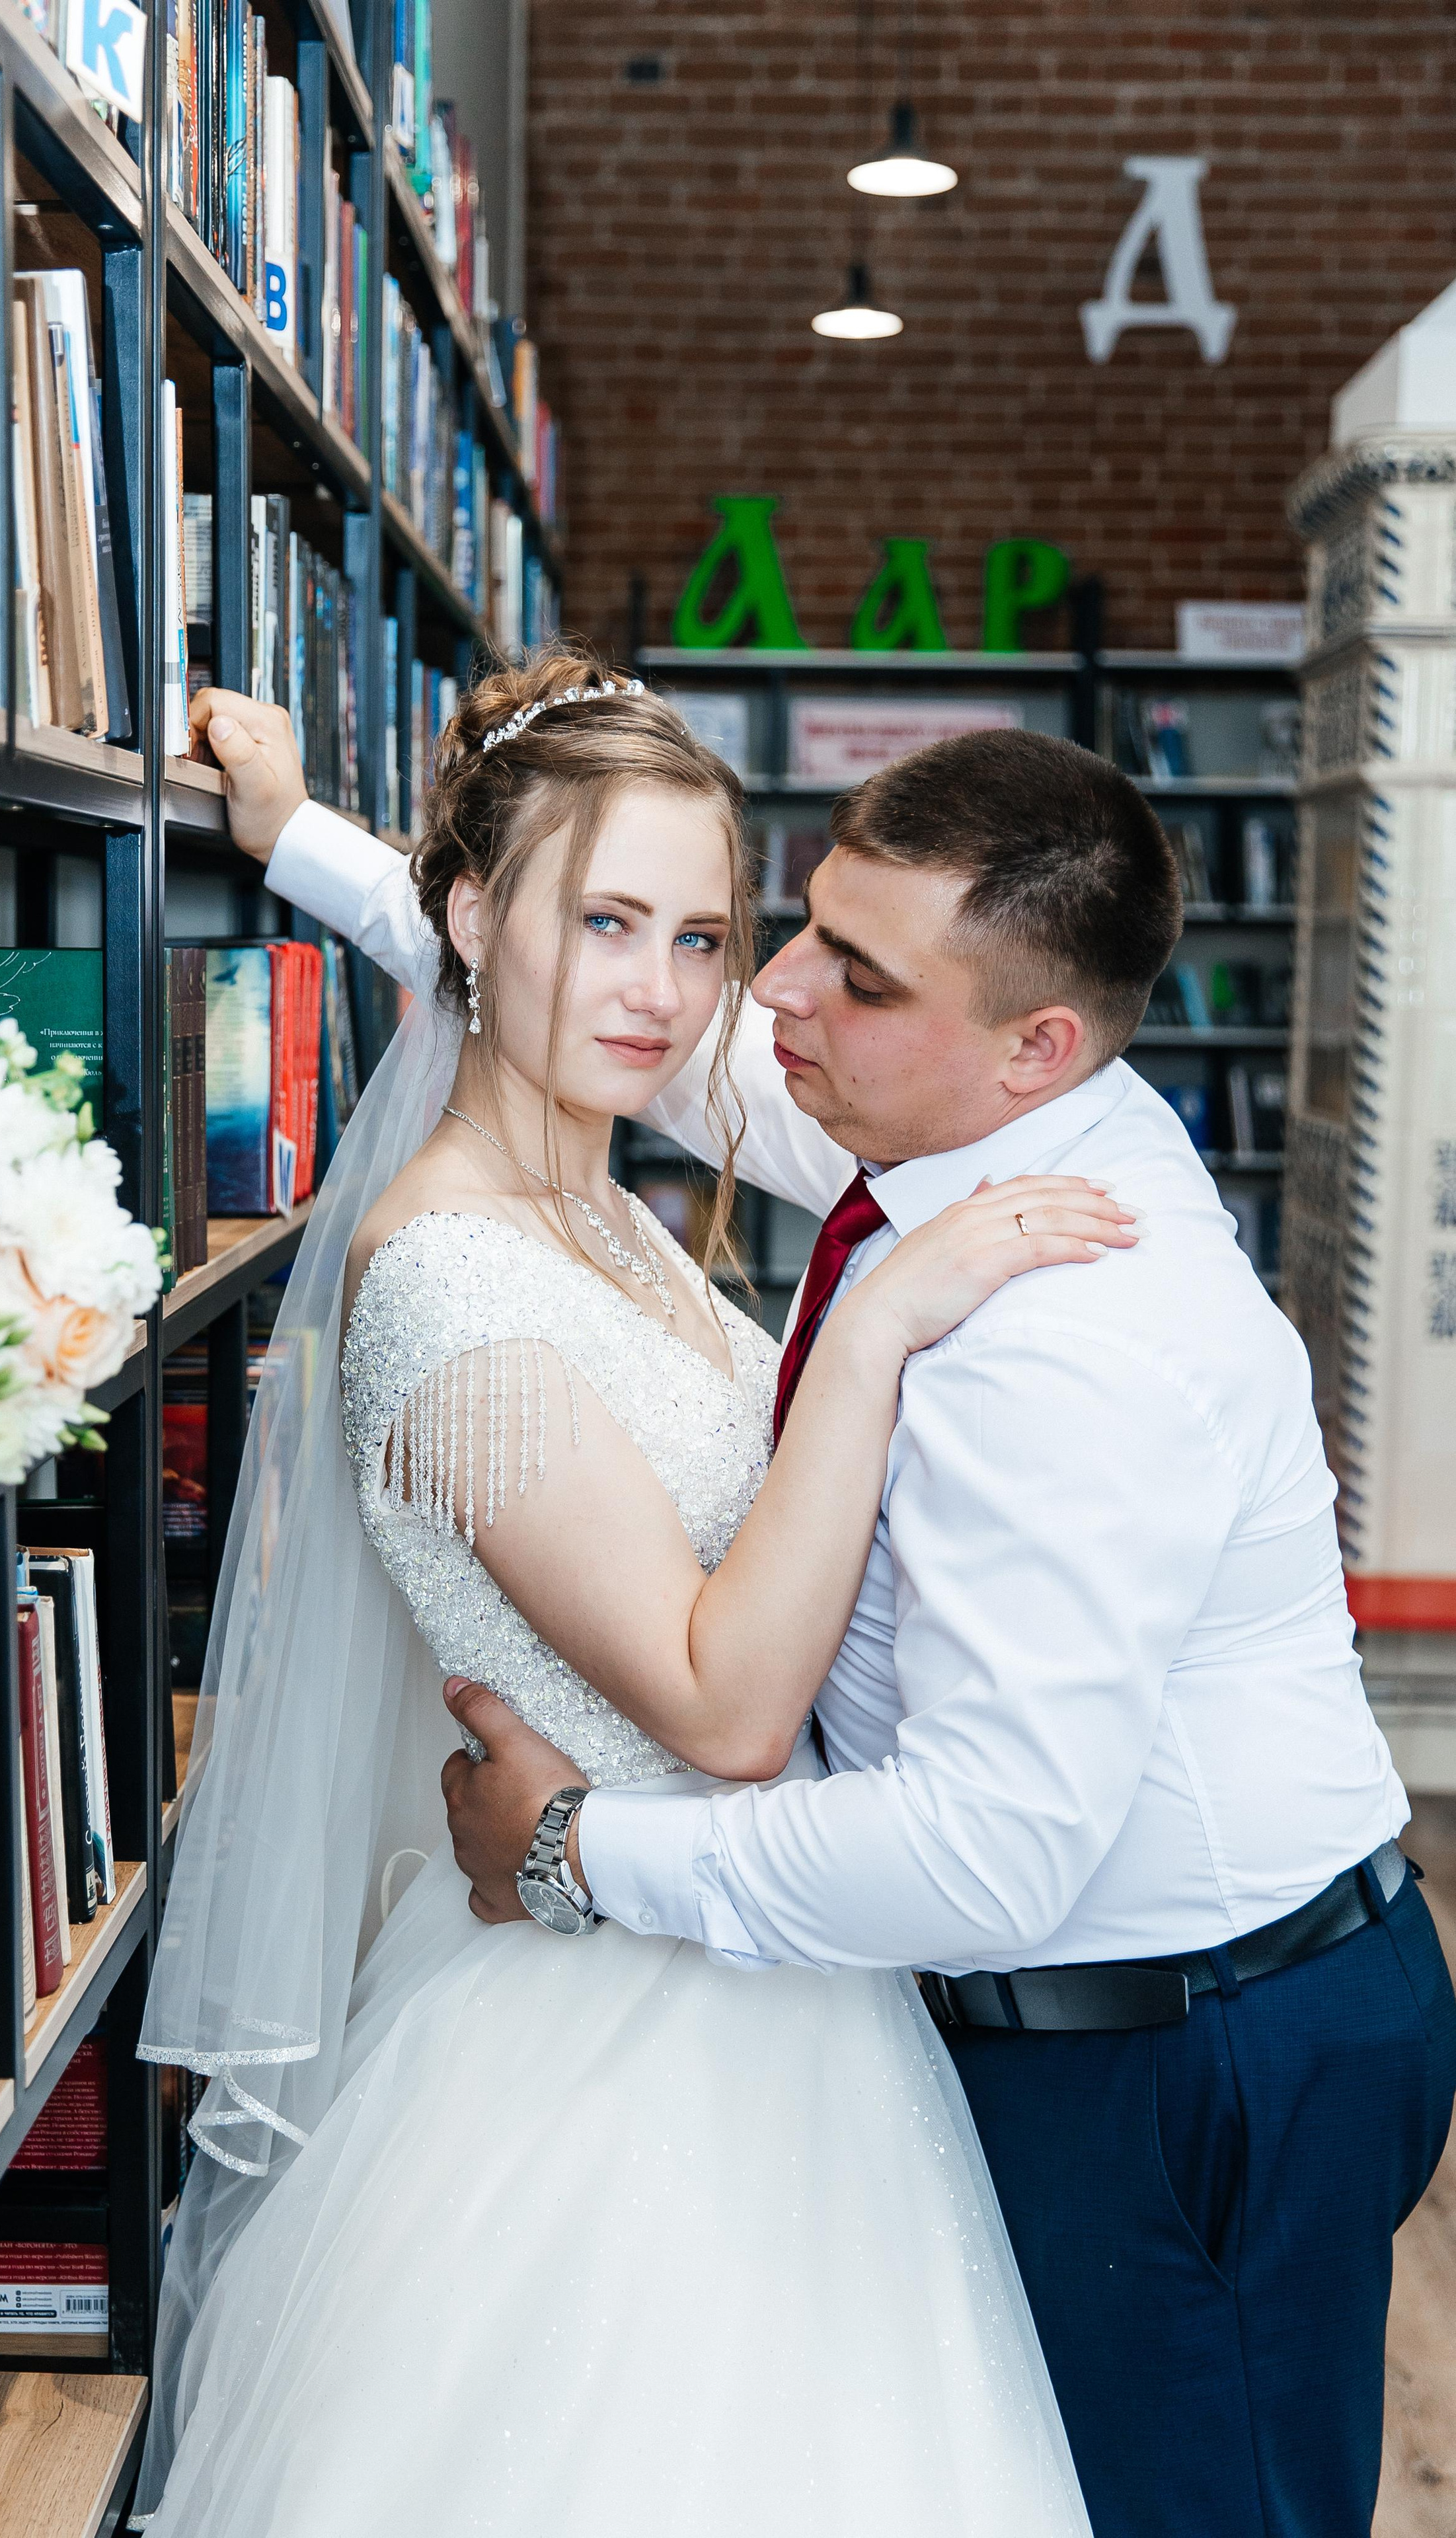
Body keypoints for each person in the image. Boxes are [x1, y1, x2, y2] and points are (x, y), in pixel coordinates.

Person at [200, 668, 1456, 2538]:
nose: (758, 996)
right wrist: (318, 842)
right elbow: (580, 996)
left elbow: (984, 1849)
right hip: (896, 2014)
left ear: (1031, 1046)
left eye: (830, 971)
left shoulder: (1065, 1331)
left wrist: (570, 1857)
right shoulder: (938, 1140)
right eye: (776, 933)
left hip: (1185, 2040)